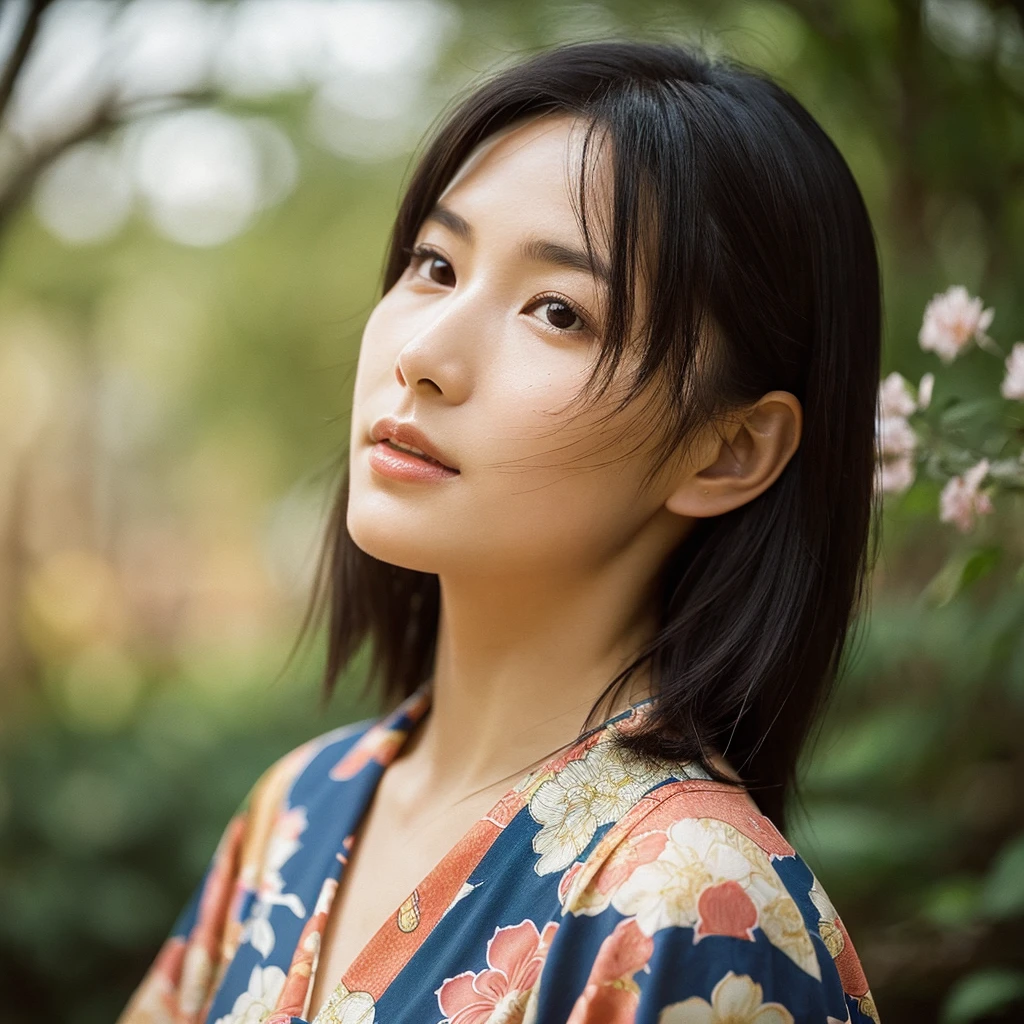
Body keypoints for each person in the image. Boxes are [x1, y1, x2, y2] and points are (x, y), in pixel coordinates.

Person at [118, 38, 883, 1024]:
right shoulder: (295, 809)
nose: (424, 354)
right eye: (433, 264)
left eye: (557, 310)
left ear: (727, 449)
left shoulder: (689, 908)